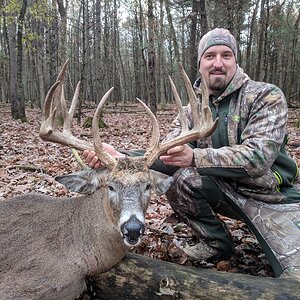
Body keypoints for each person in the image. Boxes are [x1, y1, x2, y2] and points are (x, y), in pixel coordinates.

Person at [83, 28, 300, 275]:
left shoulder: (266, 96)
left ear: (235, 61)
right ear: (200, 64)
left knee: (294, 276)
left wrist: (195, 157)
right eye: (210, 56)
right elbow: (165, 155)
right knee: (180, 179)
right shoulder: (191, 110)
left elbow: (258, 158)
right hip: (224, 192)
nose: (218, 63)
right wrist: (120, 157)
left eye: (226, 55)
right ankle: (216, 243)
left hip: (272, 198)